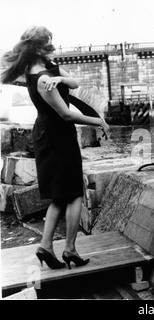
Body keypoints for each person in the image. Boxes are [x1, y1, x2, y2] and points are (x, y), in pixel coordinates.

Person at [1, 26, 109, 269]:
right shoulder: (42, 79)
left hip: (51, 134)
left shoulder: (43, 69)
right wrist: (98, 121)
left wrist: (61, 78)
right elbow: (65, 114)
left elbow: (75, 81)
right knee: (73, 194)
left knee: (60, 196)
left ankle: (46, 247)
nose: (52, 45)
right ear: (40, 45)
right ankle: (69, 249)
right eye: (49, 41)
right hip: (56, 135)